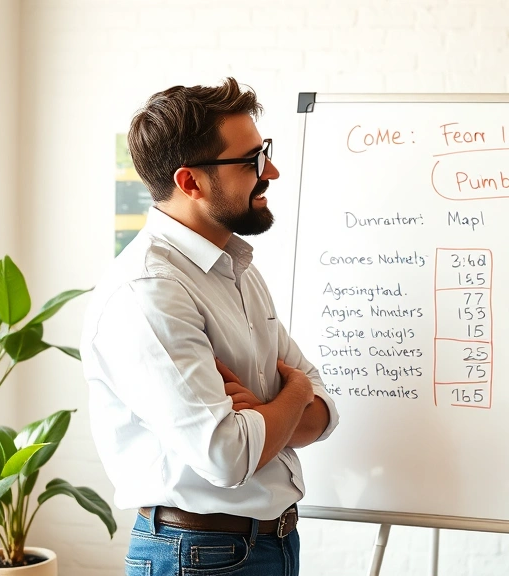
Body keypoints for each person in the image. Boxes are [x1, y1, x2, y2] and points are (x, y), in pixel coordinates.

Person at [81, 78, 338, 576]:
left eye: (264, 152)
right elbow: (228, 456)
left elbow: (323, 416)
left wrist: (267, 414)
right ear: (190, 182)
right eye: (251, 161)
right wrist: (295, 390)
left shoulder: (236, 269)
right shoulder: (150, 290)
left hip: (271, 546)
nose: (272, 171)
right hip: (197, 555)